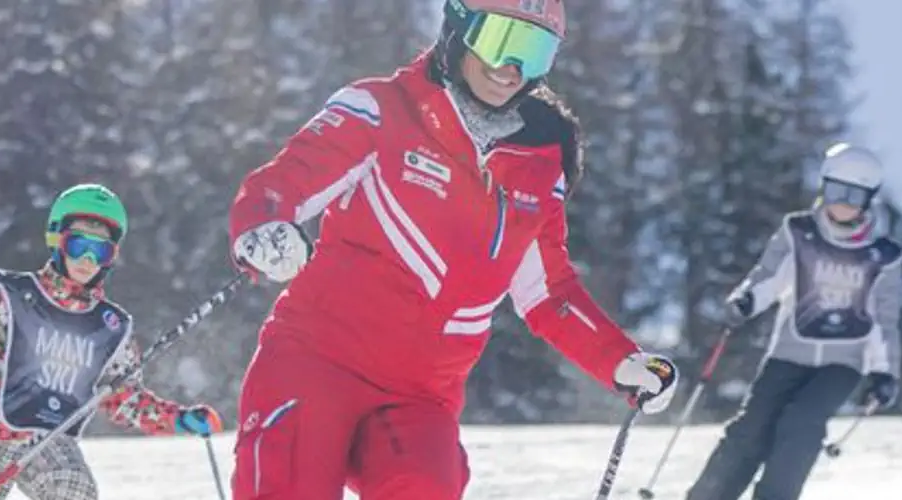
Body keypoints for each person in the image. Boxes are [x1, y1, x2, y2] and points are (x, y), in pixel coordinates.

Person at [223, 0, 679, 498]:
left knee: (426, 487)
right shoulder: (381, 109)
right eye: (502, 41)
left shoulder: (540, 165)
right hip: (314, 363)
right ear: (459, 27)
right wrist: (264, 228)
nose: (512, 69)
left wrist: (621, 361)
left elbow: (549, 293)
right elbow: (281, 184)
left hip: (420, 395)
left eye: (535, 51)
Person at [0, 183, 222, 500]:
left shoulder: (109, 327)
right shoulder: (12, 295)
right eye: (78, 244)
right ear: (57, 241)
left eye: (100, 251)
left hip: (50, 437)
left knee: (74, 489)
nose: (87, 259)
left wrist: (178, 420)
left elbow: (124, 399)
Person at [684, 144, 902, 500]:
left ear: (869, 201)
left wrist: (884, 373)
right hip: (788, 353)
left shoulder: (880, 256)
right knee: (750, 429)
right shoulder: (800, 233)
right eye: (836, 191)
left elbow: (884, 317)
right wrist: (746, 301)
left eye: (854, 196)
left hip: (842, 362)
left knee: (802, 424)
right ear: (823, 188)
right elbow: (770, 276)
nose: (843, 203)